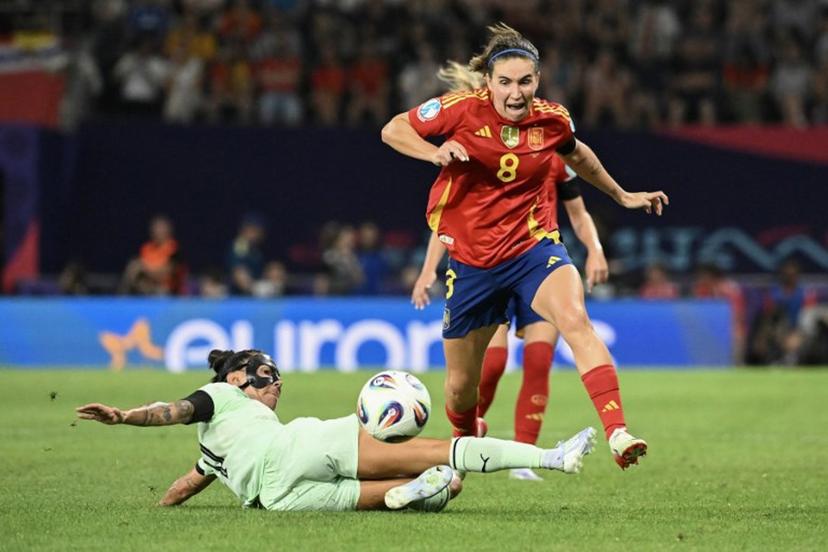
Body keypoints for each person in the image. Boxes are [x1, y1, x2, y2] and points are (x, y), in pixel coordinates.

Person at [382, 24, 668, 469]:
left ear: (537, 80)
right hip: (473, 263)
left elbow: (580, 155)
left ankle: (617, 431)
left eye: (525, 82)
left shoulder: (553, 119)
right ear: (489, 83)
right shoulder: (459, 110)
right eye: (506, 83)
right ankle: (463, 447)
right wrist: (432, 153)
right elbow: (393, 129)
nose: (516, 93)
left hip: (533, 250)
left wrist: (622, 195)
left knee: (575, 320)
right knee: (461, 386)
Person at [76, 349, 597, 512]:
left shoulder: (215, 449)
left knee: (401, 492)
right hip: (297, 450)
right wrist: (125, 416)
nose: (274, 381)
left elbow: (188, 484)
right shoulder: (221, 395)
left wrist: (160, 512)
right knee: (443, 450)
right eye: (265, 373)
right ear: (236, 377)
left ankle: (408, 495)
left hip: (277, 500)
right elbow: (172, 409)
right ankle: (552, 458)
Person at [410, 61, 609, 481]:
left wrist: (594, 250)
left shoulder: (552, 148)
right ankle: (470, 436)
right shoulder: (474, 141)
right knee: (491, 365)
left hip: (535, 260)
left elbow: (578, 210)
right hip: (486, 264)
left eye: (524, 83)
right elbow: (451, 221)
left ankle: (524, 457)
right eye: (505, 83)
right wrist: (428, 270)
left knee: (539, 359)